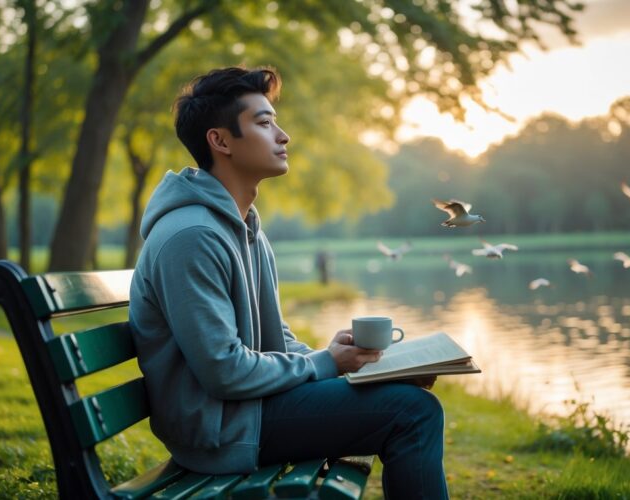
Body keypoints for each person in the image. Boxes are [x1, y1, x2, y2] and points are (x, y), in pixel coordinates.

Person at [129, 66, 448, 499]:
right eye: (263, 123)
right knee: (413, 413)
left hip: (247, 413)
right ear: (220, 141)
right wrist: (326, 365)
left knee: (402, 397)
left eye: (275, 121)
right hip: (222, 431)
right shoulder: (192, 237)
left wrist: (355, 364)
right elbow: (224, 370)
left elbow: (273, 339)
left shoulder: (244, 227)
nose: (283, 135)